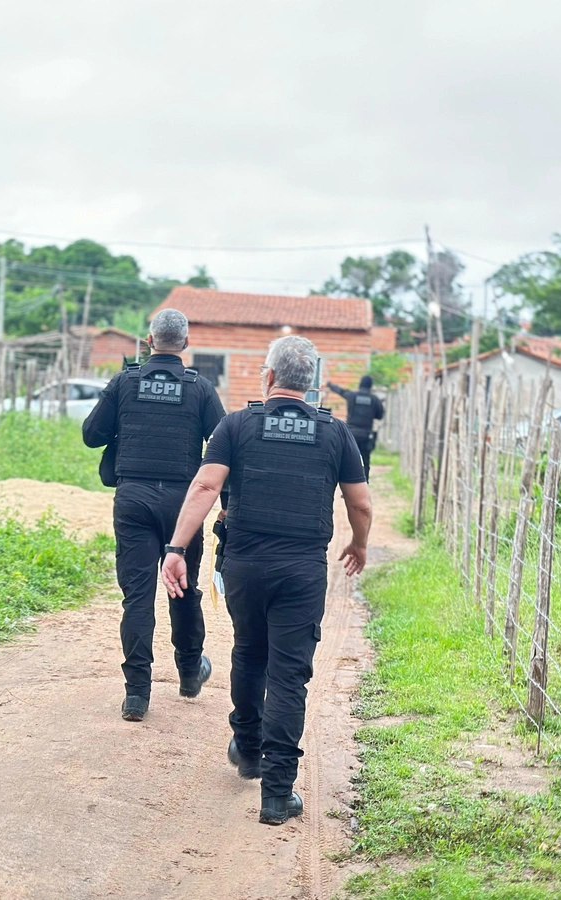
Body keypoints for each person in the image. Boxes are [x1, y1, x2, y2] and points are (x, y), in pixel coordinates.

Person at [161, 335, 373, 825]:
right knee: (289, 673)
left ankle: (250, 748)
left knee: (250, 653)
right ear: (313, 383)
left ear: (269, 377)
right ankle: (277, 795)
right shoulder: (336, 433)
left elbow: (206, 486)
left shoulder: (236, 426)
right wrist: (359, 543)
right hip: (301, 570)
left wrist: (176, 548)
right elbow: (359, 503)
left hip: (245, 564)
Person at [82, 308, 227, 722]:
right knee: (183, 587)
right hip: (185, 504)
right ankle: (188, 672)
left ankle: (137, 695)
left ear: (148, 340)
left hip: (133, 499)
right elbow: (220, 446)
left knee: (138, 596)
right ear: (185, 343)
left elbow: (92, 435)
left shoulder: (125, 382)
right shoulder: (200, 388)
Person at [326, 374, 384, 481]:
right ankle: (364, 484)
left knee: (349, 461)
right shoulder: (374, 400)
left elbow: (341, 391)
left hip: (351, 434)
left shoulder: (352, 396)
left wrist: (330, 385)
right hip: (366, 435)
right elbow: (380, 416)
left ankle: (348, 488)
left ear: (360, 384)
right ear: (370, 386)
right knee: (365, 461)